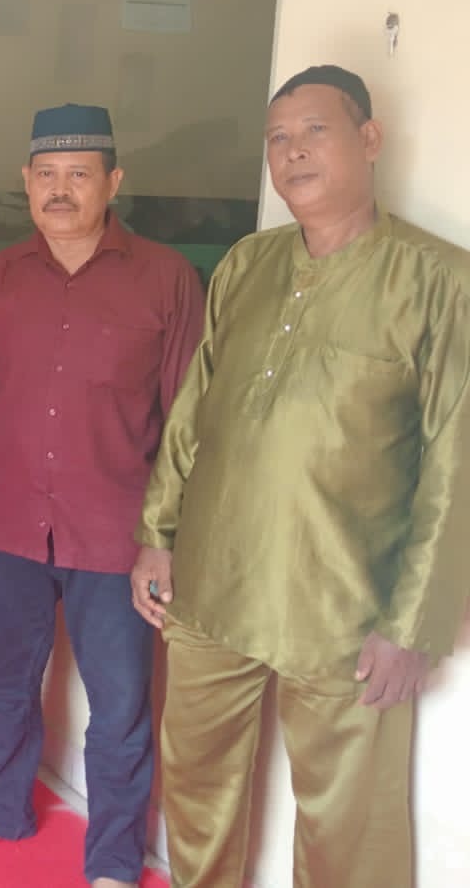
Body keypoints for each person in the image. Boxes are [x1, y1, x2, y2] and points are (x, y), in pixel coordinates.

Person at [131, 66, 470, 888]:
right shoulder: (248, 262)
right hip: (211, 587)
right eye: (277, 138)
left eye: (315, 130)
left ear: (369, 139)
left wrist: (414, 622)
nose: (293, 152)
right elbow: (194, 412)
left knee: (347, 821)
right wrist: (157, 536)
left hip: (344, 605)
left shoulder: (439, 281)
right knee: (195, 785)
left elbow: (454, 464)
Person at [0, 104, 203, 888]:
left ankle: (112, 860)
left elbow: (189, 418)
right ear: (26, 181)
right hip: (9, 522)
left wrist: (165, 539)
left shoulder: (166, 278)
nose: (61, 190)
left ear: (114, 181)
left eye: (79, 174)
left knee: (120, 704)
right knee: (1, 679)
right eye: (46, 174)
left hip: (118, 534)